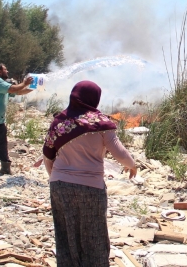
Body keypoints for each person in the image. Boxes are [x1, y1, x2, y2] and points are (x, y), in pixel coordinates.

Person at [43, 80, 137, 267]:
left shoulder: (59, 122)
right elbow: (119, 153)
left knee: (65, 233)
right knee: (94, 236)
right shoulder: (101, 123)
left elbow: (48, 154)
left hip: (59, 185)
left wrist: (55, 177)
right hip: (90, 188)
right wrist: (132, 165)